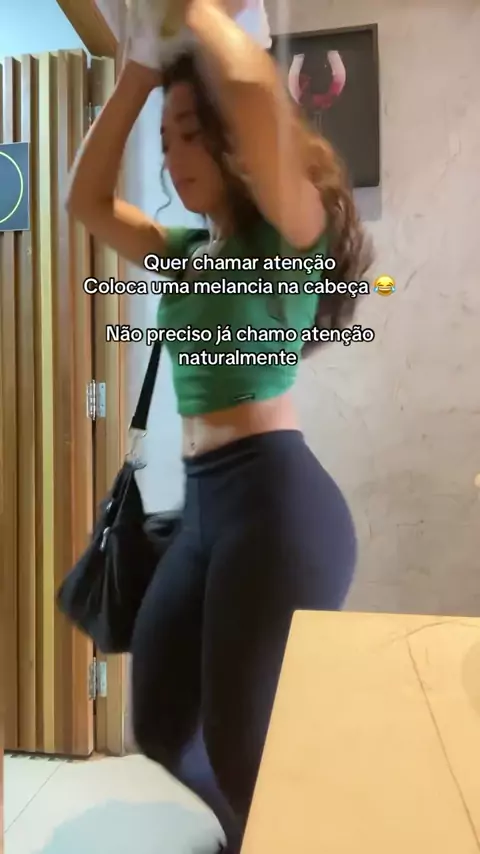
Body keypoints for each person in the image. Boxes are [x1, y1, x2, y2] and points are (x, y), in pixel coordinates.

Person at [67, 1, 372, 851]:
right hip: (204, 508)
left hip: (277, 510)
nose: (172, 155)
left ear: (237, 144)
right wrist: (137, 70)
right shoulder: (183, 252)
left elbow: (253, 94)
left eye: (191, 134)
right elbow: (83, 200)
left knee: (243, 748)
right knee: (163, 725)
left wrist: (193, 11)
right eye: (165, 141)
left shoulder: (293, 238)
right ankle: (249, 838)